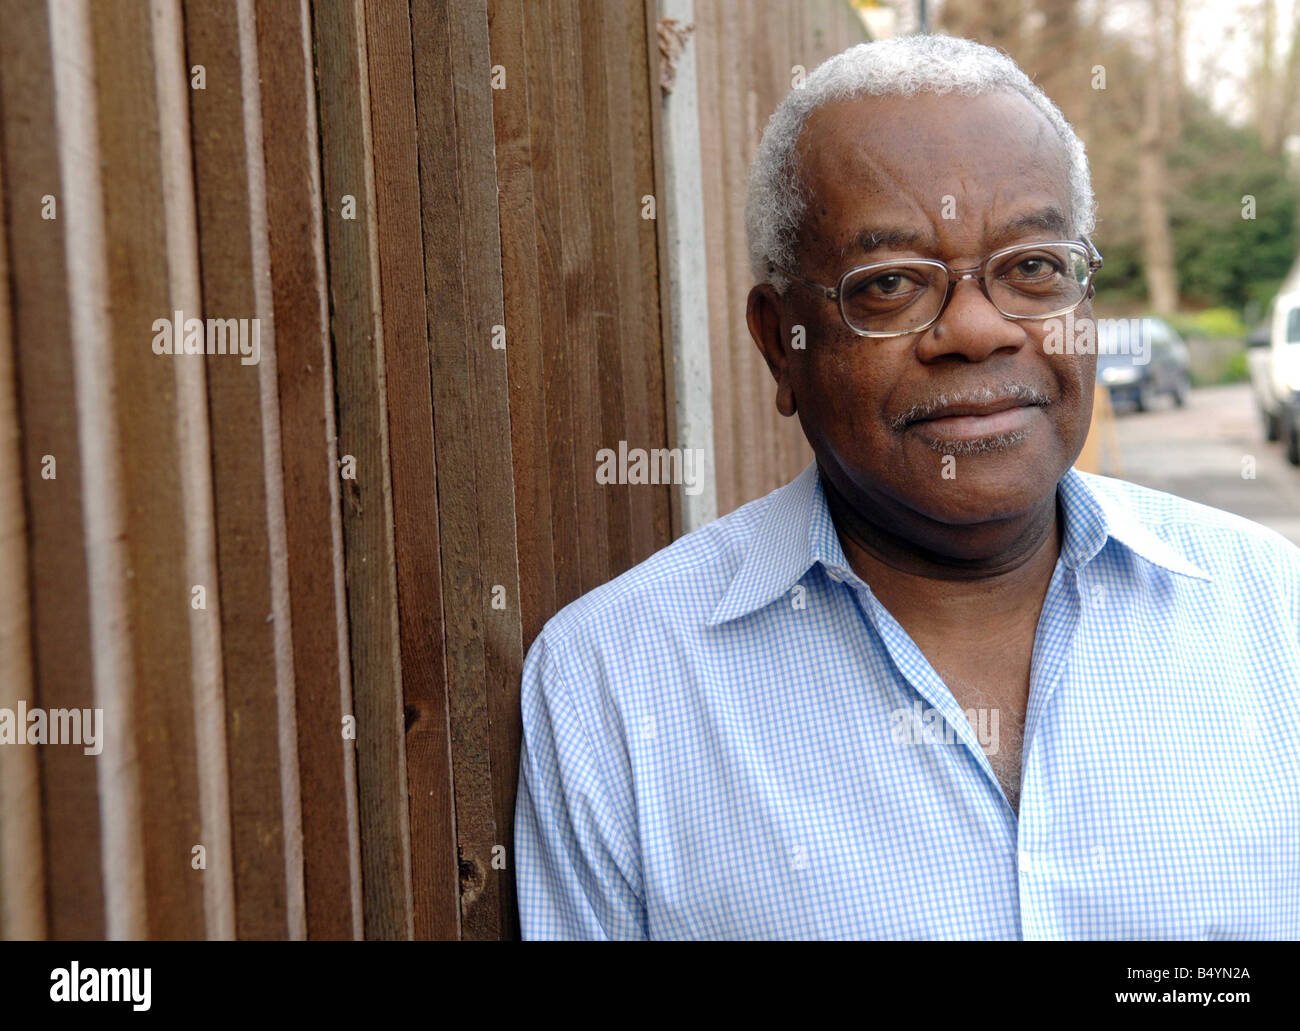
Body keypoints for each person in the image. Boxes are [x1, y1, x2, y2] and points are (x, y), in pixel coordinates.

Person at [513, 34, 1300, 940]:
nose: (975, 328)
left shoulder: (1272, 615)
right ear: (781, 342)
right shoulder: (614, 691)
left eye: (1033, 269)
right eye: (888, 284)